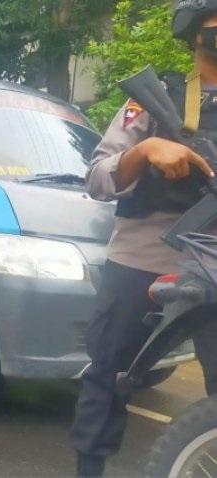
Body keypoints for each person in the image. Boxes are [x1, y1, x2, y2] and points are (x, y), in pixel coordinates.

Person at [71, 2, 217, 476]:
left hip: (213, 264)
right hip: (141, 256)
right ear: (196, 38)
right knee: (109, 376)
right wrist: (149, 150)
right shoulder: (160, 99)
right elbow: (96, 178)